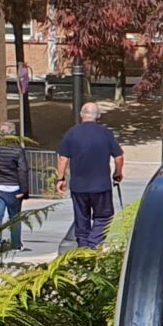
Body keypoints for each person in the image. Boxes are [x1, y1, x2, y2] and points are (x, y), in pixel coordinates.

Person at [53, 103, 125, 250]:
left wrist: (60, 179)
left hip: (79, 186)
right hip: (101, 185)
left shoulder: (72, 133)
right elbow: (118, 157)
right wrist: (117, 174)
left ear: (81, 114)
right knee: (103, 217)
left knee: (81, 219)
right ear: (98, 116)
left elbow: (63, 158)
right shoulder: (105, 133)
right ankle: (93, 245)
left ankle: (83, 248)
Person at [0, 123, 30, 250]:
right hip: (14, 187)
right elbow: (23, 170)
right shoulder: (17, 149)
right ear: (13, 134)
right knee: (15, 217)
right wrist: (24, 190)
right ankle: (16, 244)